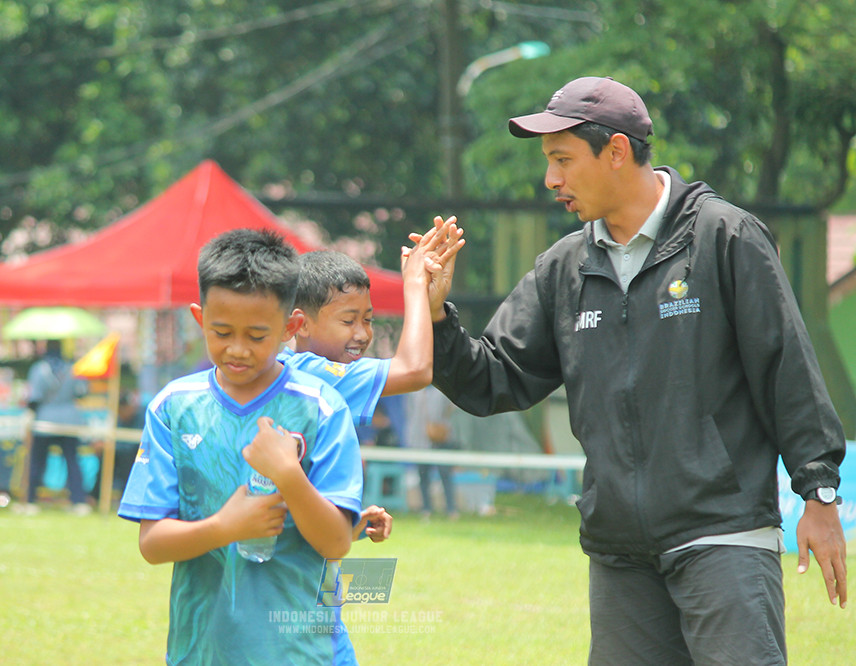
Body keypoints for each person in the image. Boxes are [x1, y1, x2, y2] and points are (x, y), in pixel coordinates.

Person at [421, 76, 847, 664]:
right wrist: (437, 315)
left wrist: (819, 494)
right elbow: (494, 378)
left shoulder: (725, 236)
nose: (551, 180)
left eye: (562, 160)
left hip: (723, 536)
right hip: (619, 554)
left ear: (616, 151)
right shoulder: (563, 268)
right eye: (550, 163)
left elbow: (787, 370)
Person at [118, 228, 365, 665]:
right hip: (204, 651)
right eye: (221, 331)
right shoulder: (174, 408)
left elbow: (336, 543)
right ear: (199, 317)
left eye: (256, 335)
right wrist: (226, 527)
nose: (237, 349)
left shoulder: (322, 408)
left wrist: (289, 475)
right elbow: (152, 543)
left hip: (303, 652)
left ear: (290, 327)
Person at [281, 218, 463, 539]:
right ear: (301, 324)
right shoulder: (313, 375)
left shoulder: (287, 369)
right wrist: (416, 287)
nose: (363, 334)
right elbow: (415, 369)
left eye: (367, 319)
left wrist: (350, 526)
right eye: (348, 320)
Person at [23, 339, 90, 515]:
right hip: (70, 420)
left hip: (44, 420)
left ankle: (30, 500)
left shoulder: (39, 369)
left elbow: (34, 398)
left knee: (37, 461)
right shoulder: (74, 368)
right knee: (72, 461)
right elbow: (82, 392)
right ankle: (78, 501)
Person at [404, 385, 459, 519]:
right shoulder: (414, 391)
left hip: (441, 438)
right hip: (420, 439)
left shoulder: (443, 390)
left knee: (445, 474)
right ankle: (426, 509)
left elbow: (452, 408)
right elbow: (409, 412)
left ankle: (451, 509)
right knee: (423, 476)